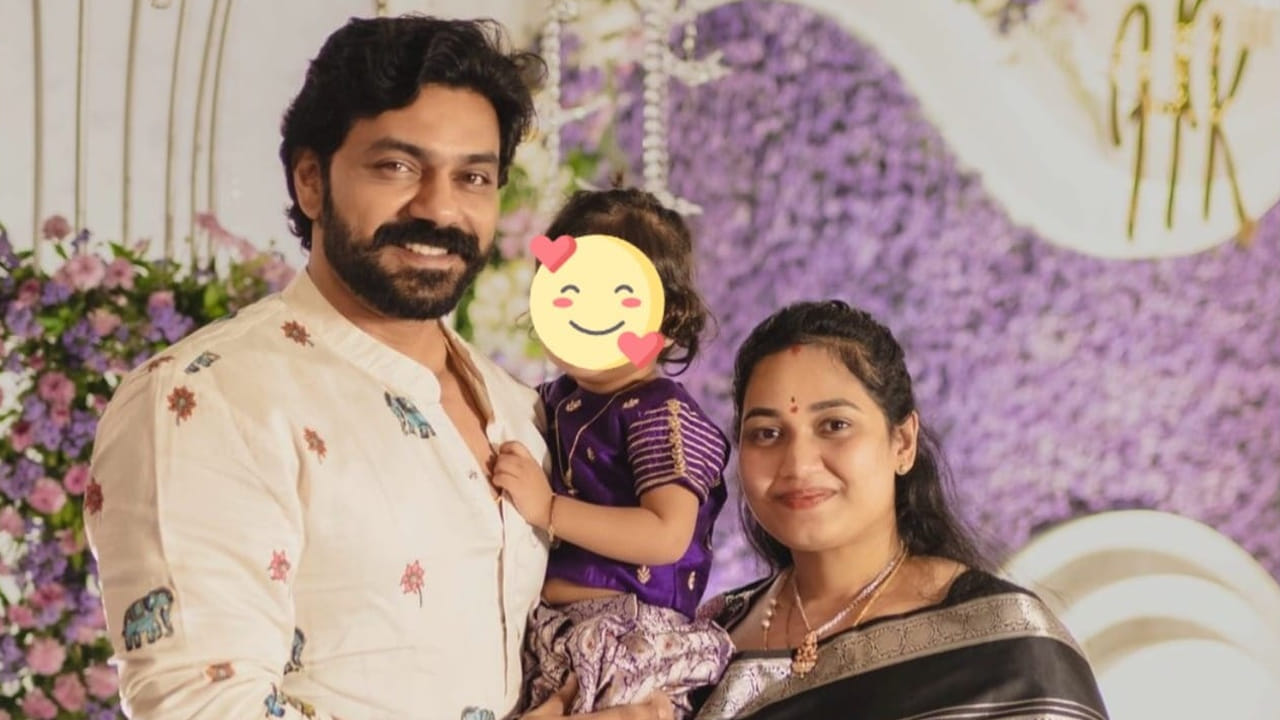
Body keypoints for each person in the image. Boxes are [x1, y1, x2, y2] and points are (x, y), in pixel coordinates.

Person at [86, 15, 560, 719]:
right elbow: (203, 708)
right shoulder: (208, 399)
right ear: (311, 181)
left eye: (473, 177)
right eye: (397, 166)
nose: (439, 207)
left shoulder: (522, 408)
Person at [691, 300, 1109, 720]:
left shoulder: (1004, 647)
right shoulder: (702, 644)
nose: (798, 465)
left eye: (834, 425)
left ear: (903, 443)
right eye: (767, 433)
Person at [490, 190, 734, 718]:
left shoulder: (659, 412)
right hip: (557, 633)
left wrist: (548, 509)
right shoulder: (553, 400)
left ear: (669, 321)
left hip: (632, 639)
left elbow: (666, 534)